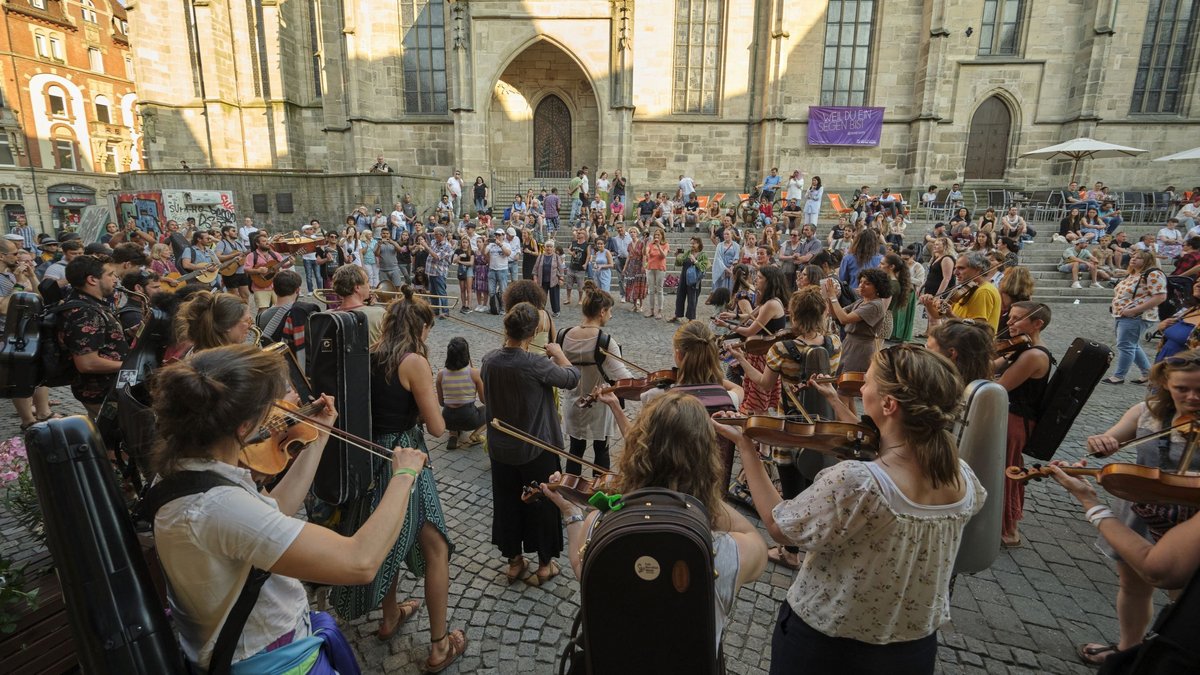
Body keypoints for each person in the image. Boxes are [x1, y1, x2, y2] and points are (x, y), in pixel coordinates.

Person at [149, 345, 429, 673]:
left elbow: (273, 513)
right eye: (271, 405)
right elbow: (360, 561)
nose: (282, 410)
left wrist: (320, 434)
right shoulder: (218, 507)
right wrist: (404, 475)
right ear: (243, 427)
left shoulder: (185, 472)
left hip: (249, 647)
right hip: (272, 661)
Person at [714, 344, 983, 674]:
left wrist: (746, 447)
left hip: (831, 646)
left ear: (889, 404)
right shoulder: (964, 476)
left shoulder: (858, 483)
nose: (861, 387)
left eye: (867, 382)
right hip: (913, 648)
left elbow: (778, 525)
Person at [540, 390, 767, 642]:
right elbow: (756, 542)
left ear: (636, 450)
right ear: (707, 461)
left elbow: (581, 568)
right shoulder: (722, 552)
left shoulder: (596, 524)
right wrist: (707, 498)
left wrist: (571, 513)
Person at [327, 289, 461, 670]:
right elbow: (436, 427)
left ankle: (390, 617)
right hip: (404, 455)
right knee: (436, 548)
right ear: (421, 327)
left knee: (385, 539)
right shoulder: (413, 361)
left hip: (371, 454)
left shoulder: (369, 355)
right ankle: (438, 646)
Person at [1072, 350, 1200, 666]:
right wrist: (1100, 442)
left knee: (1182, 598)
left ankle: (1167, 656)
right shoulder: (1145, 412)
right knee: (1132, 585)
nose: (1192, 397)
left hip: (1192, 521)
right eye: (1182, 389)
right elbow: (1108, 439)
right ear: (1166, 384)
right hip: (1141, 509)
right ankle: (1127, 650)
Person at [728, 287, 841, 568]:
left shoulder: (782, 349)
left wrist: (742, 360)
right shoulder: (834, 343)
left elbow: (764, 383)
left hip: (788, 424)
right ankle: (810, 542)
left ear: (794, 315)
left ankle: (789, 550)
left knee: (790, 486)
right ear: (824, 312)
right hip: (822, 422)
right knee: (812, 483)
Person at [482, 302, 581, 585]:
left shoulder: (490, 360)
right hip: (536, 449)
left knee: (506, 504)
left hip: (501, 450)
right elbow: (571, 379)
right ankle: (544, 565)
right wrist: (559, 354)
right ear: (533, 331)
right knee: (543, 505)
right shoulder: (536, 363)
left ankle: (514, 561)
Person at [991, 301, 1052, 548]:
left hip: (1015, 421)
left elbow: (999, 387)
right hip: (1009, 417)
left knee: (1006, 472)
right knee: (1002, 470)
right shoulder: (1021, 348)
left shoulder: (1034, 355)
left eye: (1016, 319)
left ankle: (1008, 530)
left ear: (1037, 324)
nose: (1009, 323)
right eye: (1010, 317)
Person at [560, 281, 634, 477]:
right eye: (609, 311)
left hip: (573, 401)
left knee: (575, 450)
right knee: (602, 449)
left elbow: (556, 368)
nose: (610, 315)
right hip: (600, 405)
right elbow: (622, 377)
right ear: (602, 311)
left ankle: (572, 493)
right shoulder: (605, 342)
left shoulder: (564, 335)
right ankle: (599, 494)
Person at [58, 255, 129, 418]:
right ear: (92, 280)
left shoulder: (89, 304)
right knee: (118, 437)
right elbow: (87, 363)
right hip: (101, 390)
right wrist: (130, 365)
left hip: (105, 387)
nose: (115, 280)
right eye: (110, 275)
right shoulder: (85, 313)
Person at [824, 268, 891, 410]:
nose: (861, 285)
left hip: (860, 348)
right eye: (861, 282)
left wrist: (834, 297)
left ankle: (845, 426)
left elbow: (844, 319)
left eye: (867, 283)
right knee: (847, 392)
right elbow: (835, 314)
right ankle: (853, 428)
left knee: (843, 393)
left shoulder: (875, 305)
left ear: (877, 287)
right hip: (851, 344)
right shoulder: (863, 301)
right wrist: (831, 298)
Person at [1105, 250, 1168, 385]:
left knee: (1125, 345)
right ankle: (1147, 373)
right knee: (1131, 344)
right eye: (1133, 257)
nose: (1133, 259)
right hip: (1123, 314)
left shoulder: (1153, 274)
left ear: (1147, 260)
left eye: (1139, 258)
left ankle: (1119, 376)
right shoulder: (1133, 273)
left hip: (1137, 316)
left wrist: (1134, 310)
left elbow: (1160, 296)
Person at [920, 251, 1002, 331]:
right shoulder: (965, 288)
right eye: (955, 268)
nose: (955, 272)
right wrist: (929, 304)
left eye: (961, 268)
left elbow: (977, 327)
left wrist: (951, 315)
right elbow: (938, 315)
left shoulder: (984, 291)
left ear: (978, 269)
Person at [256, 270, 320, 365]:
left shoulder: (260, 317)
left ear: (273, 288)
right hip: (300, 369)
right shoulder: (304, 313)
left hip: (275, 366)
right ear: (298, 290)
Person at [925, 318, 996, 384]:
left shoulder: (940, 386)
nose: (924, 351)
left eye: (929, 348)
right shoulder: (974, 383)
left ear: (952, 353)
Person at [330, 265, 386, 343]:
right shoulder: (379, 313)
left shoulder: (327, 316)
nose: (369, 286)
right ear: (357, 288)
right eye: (367, 282)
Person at [1156, 278, 1200, 361]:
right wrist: (1162, 327)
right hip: (1163, 366)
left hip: (1184, 370)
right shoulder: (1190, 309)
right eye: (1197, 281)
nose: (1197, 285)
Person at [246, 232, 292, 310]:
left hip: (276, 286)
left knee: (279, 308)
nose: (267, 242)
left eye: (267, 240)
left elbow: (284, 265)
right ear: (257, 243)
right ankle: (261, 322)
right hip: (260, 286)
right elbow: (246, 269)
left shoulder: (275, 254)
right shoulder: (252, 255)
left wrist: (291, 263)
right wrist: (258, 270)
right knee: (263, 309)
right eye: (264, 241)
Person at [671, 237, 709, 322]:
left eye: (693, 243)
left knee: (692, 299)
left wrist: (695, 261)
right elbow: (680, 263)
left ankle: (690, 319)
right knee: (680, 296)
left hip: (694, 280)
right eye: (691, 243)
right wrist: (677, 256)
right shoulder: (688, 252)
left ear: (699, 244)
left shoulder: (703, 255)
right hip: (684, 278)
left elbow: (703, 268)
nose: (691, 245)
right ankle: (677, 315)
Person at [882, 253, 915, 342]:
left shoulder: (893, 284)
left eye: (882, 264)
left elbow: (883, 308)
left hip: (883, 321)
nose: (879, 266)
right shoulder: (891, 281)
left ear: (892, 267)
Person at [839, 228, 883, 293]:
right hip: (873, 295)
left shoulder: (848, 258)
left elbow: (842, 279)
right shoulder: (881, 259)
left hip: (853, 294)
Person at [424, 227, 454, 318]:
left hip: (439, 272)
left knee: (441, 292)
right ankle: (435, 310)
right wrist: (425, 248)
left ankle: (445, 311)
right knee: (433, 292)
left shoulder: (447, 246)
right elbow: (430, 252)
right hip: (431, 271)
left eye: (435, 234)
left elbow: (437, 257)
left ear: (440, 235)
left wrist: (426, 246)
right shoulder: (434, 242)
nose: (433, 235)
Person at [644, 228, 669, 319]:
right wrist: (645, 245)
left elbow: (664, 256)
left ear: (662, 235)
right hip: (650, 268)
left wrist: (658, 246)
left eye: (658, 235)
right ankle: (651, 310)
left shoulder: (665, 245)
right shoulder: (650, 244)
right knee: (650, 291)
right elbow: (646, 253)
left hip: (660, 268)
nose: (656, 236)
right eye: (655, 235)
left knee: (659, 290)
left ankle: (659, 311)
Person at [713, 227, 741, 294]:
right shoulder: (719, 245)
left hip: (732, 268)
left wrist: (731, 268)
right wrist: (725, 269)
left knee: (731, 287)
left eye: (727, 234)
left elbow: (736, 257)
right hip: (722, 269)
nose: (725, 236)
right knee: (721, 287)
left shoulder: (736, 245)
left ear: (731, 234)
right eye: (724, 234)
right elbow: (718, 258)